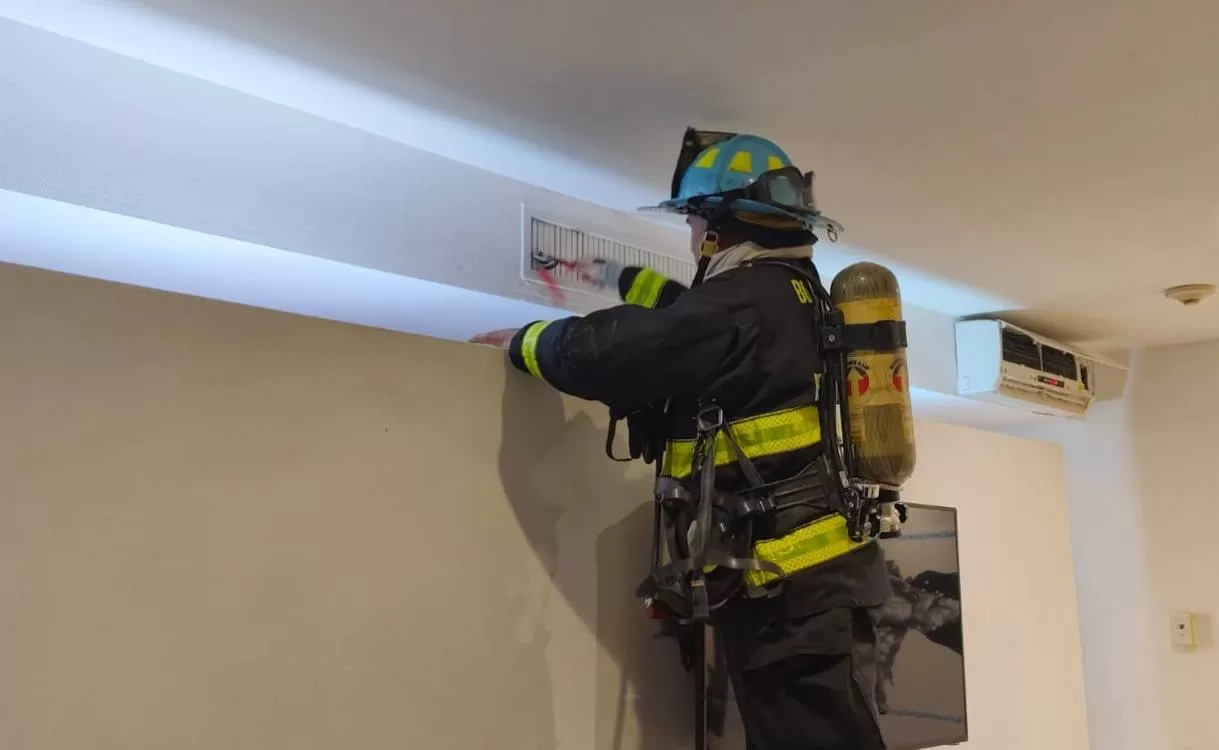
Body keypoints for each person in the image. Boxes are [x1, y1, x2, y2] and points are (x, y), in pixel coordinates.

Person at [474, 129, 891, 749]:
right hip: (811, 587)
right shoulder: (796, 296)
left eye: (694, 222)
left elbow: (628, 350)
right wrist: (613, 275)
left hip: (791, 594)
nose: (692, 238)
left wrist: (526, 341)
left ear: (718, 226)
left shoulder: (750, 299)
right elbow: (687, 319)